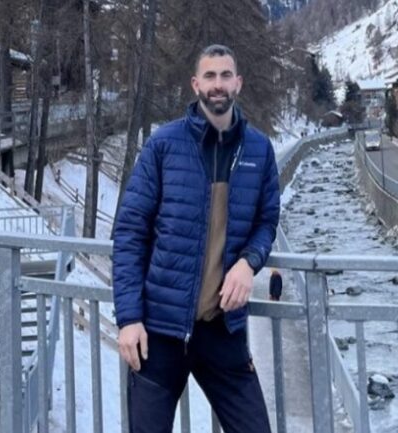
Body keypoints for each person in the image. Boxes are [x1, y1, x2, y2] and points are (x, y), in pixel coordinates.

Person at [112, 44, 280, 433]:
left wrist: (249, 261)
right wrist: (129, 318)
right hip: (159, 330)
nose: (217, 84)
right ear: (195, 84)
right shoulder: (163, 145)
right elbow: (130, 232)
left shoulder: (258, 149)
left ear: (238, 83)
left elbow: (267, 220)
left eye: (225, 75)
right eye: (210, 76)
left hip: (222, 328)